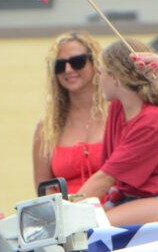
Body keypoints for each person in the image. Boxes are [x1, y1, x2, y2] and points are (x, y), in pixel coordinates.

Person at [77, 38, 158, 226]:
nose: (99, 79)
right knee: (82, 227)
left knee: (92, 228)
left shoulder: (154, 120)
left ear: (116, 77)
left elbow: (105, 178)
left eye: (101, 73)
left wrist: (66, 209)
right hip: (130, 198)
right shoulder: (118, 108)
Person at [33, 32, 106, 195]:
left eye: (77, 62)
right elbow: (45, 190)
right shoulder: (46, 127)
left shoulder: (117, 114)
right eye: (59, 65)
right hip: (68, 216)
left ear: (95, 62)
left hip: (116, 211)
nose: (68, 69)